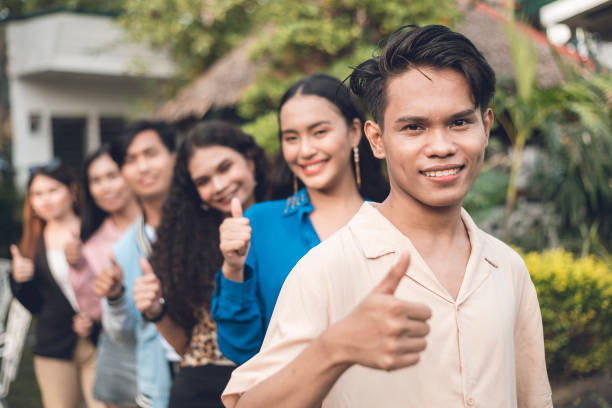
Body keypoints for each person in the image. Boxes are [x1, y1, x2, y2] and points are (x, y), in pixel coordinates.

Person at [221, 25, 553, 407]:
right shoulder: (326, 270)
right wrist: (334, 349)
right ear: (376, 140)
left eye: (459, 122)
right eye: (414, 127)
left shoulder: (508, 269)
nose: (441, 147)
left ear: (486, 126)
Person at [211, 73, 389, 364]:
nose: (305, 151)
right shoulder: (260, 222)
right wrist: (233, 269)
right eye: (291, 138)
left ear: (355, 132)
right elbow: (240, 348)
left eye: (319, 132)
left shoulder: (390, 222)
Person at [131, 120, 269, 407]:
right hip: (200, 390)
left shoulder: (295, 219)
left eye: (225, 167)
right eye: (203, 182)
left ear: (250, 161)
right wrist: (157, 312)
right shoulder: (190, 248)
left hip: (276, 385)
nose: (219, 186)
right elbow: (189, 347)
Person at [94, 120, 177, 408]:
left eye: (150, 154)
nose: (142, 167)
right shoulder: (125, 249)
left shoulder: (210, 223)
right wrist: (115, 297)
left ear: (173, 157)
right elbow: (125, 335)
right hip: (160, 384)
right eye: (130, 160)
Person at [9, 161, 104, 408]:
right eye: (37, 194)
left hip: (101, 340)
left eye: (53, 190)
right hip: (54, 345)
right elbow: (36, 306)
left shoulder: (95, 230)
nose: (45, 199)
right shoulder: (30, 243)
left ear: (72, 191)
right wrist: (19, 282)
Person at [80, 145, 141, 408]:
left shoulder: (168, 221)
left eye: (112, 175)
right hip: (125, 358)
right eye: (96, 180)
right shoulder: (93, 246)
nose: (105, 187)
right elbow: (96, 311)